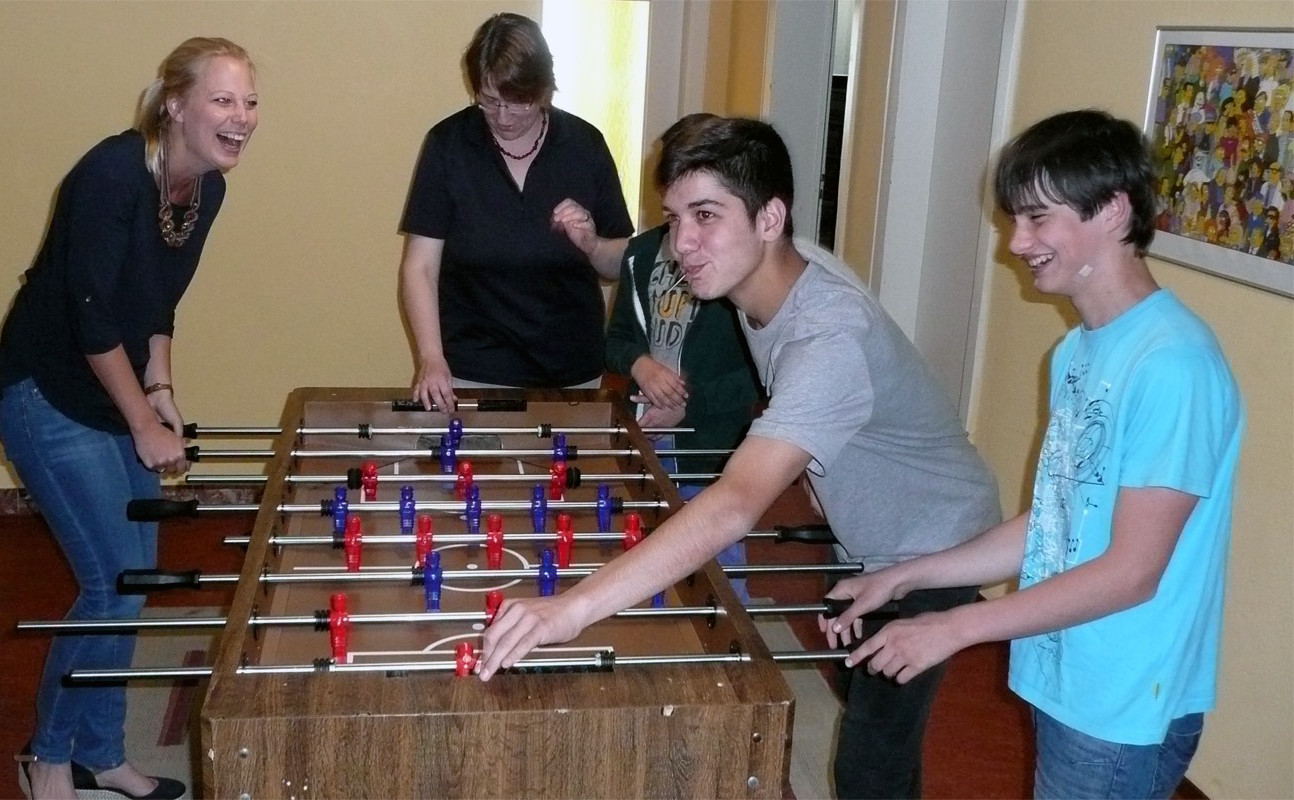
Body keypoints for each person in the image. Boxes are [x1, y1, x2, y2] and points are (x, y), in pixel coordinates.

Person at [480, 114, 1002, 799]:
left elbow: (733, 504)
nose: (681, 244)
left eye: (705, 216)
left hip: (936, 537)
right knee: (863, 686)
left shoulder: (827, 336)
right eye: (673, 218)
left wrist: (571, 609)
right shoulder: (769, 278)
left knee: (871, 755)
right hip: (869, 531)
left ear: (770, 217)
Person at [825, 109, 1245, 800]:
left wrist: (955, 627)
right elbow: (1057, 520)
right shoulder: (1078, 350)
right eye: (1013, 220)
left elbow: (1131, 574)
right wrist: (903, 578)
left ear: (1112, 212)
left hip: (1119, 700)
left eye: (1037, 218)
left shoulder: (1174, 366)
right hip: (1068, 674)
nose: (1016, 242)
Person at [0, 37, 259, 800]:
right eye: (223, 99)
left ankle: (101, 754)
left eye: (250, 102)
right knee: (111, 579)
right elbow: (91, 316)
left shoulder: (206, 188)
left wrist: (162, 389)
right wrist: (144, 423)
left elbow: (157, 306)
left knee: (131, 581)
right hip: (45, 396)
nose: (241, 118)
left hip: (109, 394)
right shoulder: (112, 173)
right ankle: (47, 757)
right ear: (174, 103)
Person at [400, 12, 634, 414]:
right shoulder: (448, 145)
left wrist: (592, 244)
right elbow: (419, 267)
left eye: (519, 103)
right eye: (490, 102)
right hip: (474, 367)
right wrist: (432, 358)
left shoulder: (584, 146)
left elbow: (619, 265)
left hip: (572, 370)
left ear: (544, 90)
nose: (504, 117)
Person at [604, 219, 761, 598]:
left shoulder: (735, 262)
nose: (682, 229)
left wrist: (689, 404)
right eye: (671, 212)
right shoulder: (640, 253)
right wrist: (639, 364)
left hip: (712, 448)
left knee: (717, 567)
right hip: (645, 437)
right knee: (643, 555)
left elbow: (757, 377)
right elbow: (615, 342)